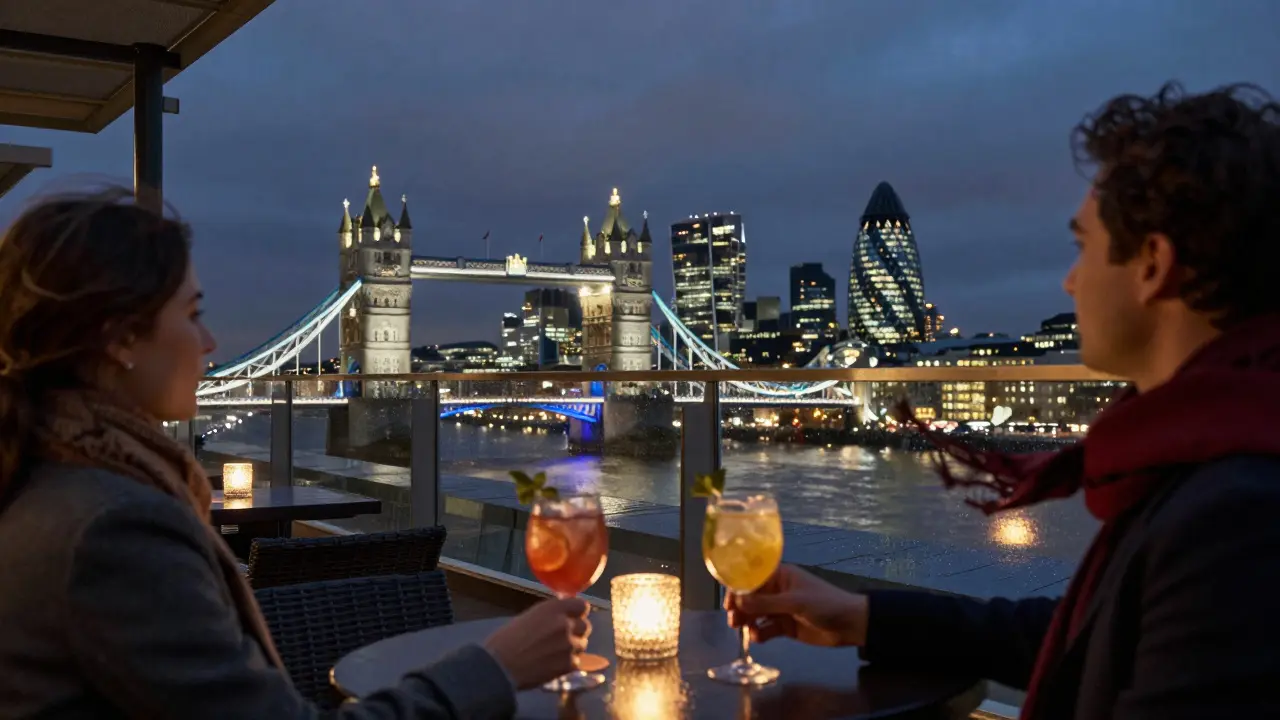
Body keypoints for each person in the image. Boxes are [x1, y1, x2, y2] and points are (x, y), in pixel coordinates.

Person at [730, 82, 1280, 719]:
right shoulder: (1201, 462)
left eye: (1083, 246)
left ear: (1153, 264)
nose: (1069, 280)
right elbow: (1087, 638)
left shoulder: (1236, 520)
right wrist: (863, 616)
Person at [0, 188, 591, 719]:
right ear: (120, 337)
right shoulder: (115, 530)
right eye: (192, 314)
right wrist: (495, 666)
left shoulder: (49, 480)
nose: (209, 344)